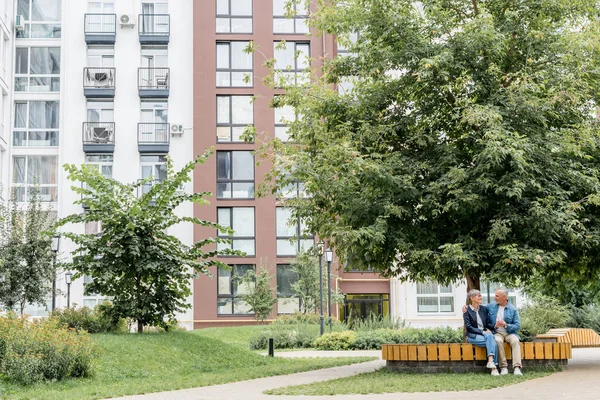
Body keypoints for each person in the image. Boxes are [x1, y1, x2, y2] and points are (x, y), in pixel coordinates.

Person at [487, 288, 522, 376]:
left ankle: (517, 367)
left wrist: (506, 325)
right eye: (495, 295)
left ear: (504, 297)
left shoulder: (512, 309)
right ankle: (503, 367)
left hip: (510, 333)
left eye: (497, 296)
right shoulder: (491, 306)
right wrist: (467, 307)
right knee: (497, 341)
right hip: (497, 332)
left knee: (515, 341)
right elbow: (479, 308)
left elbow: (517, 325)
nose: (495, 297)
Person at [463, 289, 499, 375]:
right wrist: (482, 332)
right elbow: (468, 327)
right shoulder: (466, 311)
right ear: (472, 298)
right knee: (493, 342)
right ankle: (494, 367)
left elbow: (486, 323)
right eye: (478, 295)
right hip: (473, 336)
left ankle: (491, 364)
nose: (481, 297)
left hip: (485, 335)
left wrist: (495, 326)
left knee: (490, 338)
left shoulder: (483, 309)